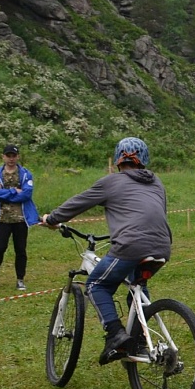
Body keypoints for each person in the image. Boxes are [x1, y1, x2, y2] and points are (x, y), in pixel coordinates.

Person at [41, 137, 172, 365]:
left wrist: (51, 219)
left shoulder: (111, 182)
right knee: (137, 287)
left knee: (95, 285)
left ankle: (115, 334)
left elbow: (78, 203)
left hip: (131, 245)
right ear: (144, 160)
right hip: (162, 246)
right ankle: (139, 341)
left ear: (118, 160)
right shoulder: (157, 183)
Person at [0, 144, 39, 291]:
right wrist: (14, 191)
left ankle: (20, 279)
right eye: (8, 156)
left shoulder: (26, 174)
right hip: (2, 219)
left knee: (20, 250)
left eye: (13, 156)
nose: (11, 159)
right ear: (3, 157)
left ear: (17, 157)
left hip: (21, 219)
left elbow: (27, 194)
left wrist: (5, 194)